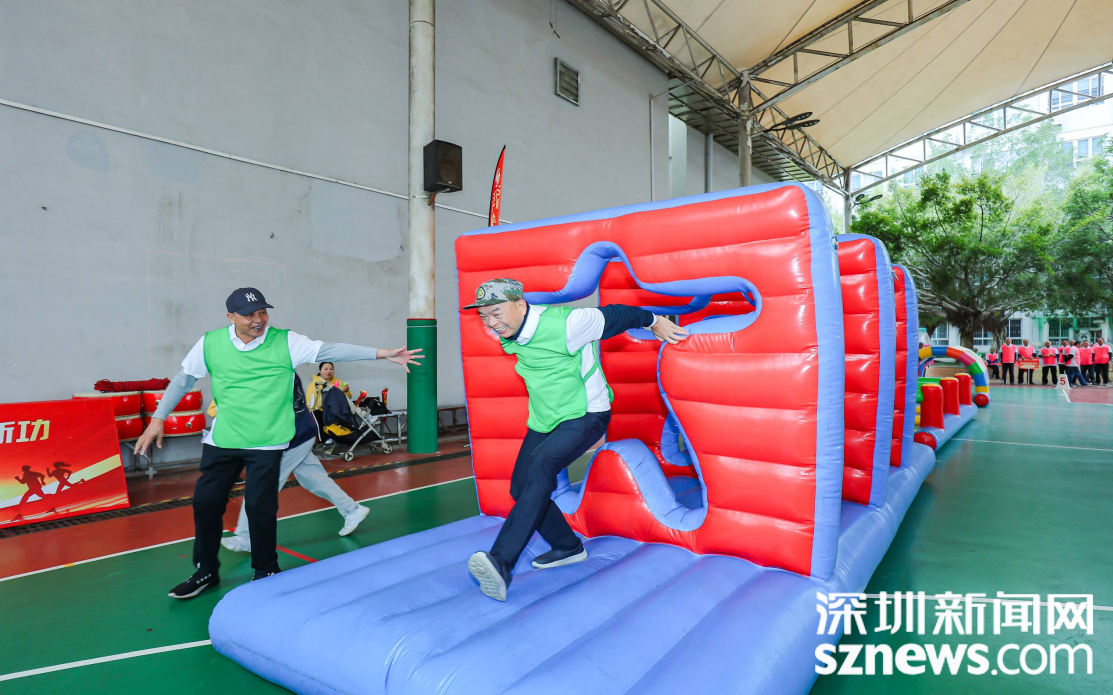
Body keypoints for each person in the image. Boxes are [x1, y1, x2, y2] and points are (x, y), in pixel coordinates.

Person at [134, 287, 420, 600]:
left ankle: (266, 569)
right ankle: (205, 571)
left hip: (268, 442)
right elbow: (184, 379)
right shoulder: (210, 343)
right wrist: (158, 418)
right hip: (224, 440)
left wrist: (382, 353)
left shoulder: (286, 342)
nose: (258, 319)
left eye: (262, 312)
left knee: (260, 506)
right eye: (249, 315)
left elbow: (332, 349)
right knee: (206, 503)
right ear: (231, 317)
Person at [462, 279, 688, 601]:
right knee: (521, 487)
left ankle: (501, 562)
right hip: (546, 419)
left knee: (542, 465)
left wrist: (654, 321)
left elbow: (617, 314)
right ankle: (567, 546)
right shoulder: (511, 331)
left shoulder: (569, 324)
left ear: (521, 305)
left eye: (496, 313)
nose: (491, 322)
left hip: (586, 415)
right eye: (484, 316)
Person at [219, 374, 369, 554]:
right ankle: (352, 510)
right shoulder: (266, 372)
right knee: (314, 479)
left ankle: (248, 537)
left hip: (291, 438)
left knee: (260, 486)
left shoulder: (274, 373)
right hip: (297, 435)